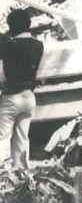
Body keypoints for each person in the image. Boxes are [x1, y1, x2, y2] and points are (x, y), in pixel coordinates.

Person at [0, 9, 44, 169]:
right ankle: (22, 174)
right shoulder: (38, 45)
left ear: (12, 26)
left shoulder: (9, 46)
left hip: (11, 97)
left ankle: (2, 174)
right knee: (22, 138)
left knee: (3, 138)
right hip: (29, 97)